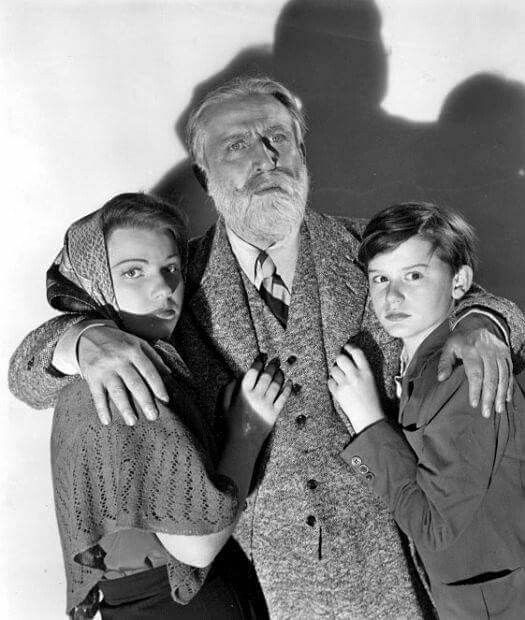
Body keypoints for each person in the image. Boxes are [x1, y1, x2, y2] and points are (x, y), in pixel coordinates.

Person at [9, 77, 525, 618]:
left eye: (278, 138)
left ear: (302, 153)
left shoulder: (373, 252)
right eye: (236, 145)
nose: (265, 158)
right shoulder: (171, 282)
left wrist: (483, 322)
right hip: (261, 588)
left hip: (400, 574)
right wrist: (81, 339)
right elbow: (25, 378)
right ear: (204, 177)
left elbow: (484, 305)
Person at [48, 193, 289, 618]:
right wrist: (247, 430)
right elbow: (198, 546)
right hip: (183, 602)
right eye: (133, 272)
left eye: (171, 268)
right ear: (94, 280)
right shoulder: (126, 379)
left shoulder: (86, 371)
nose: (163, 288)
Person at [330, 202, 525, 619]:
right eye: (380, 278)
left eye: (414, 276)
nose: (392, 296)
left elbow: (435, 529)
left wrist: (368, 422)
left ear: (460, 283)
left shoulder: (463, 376)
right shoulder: (420, 360)